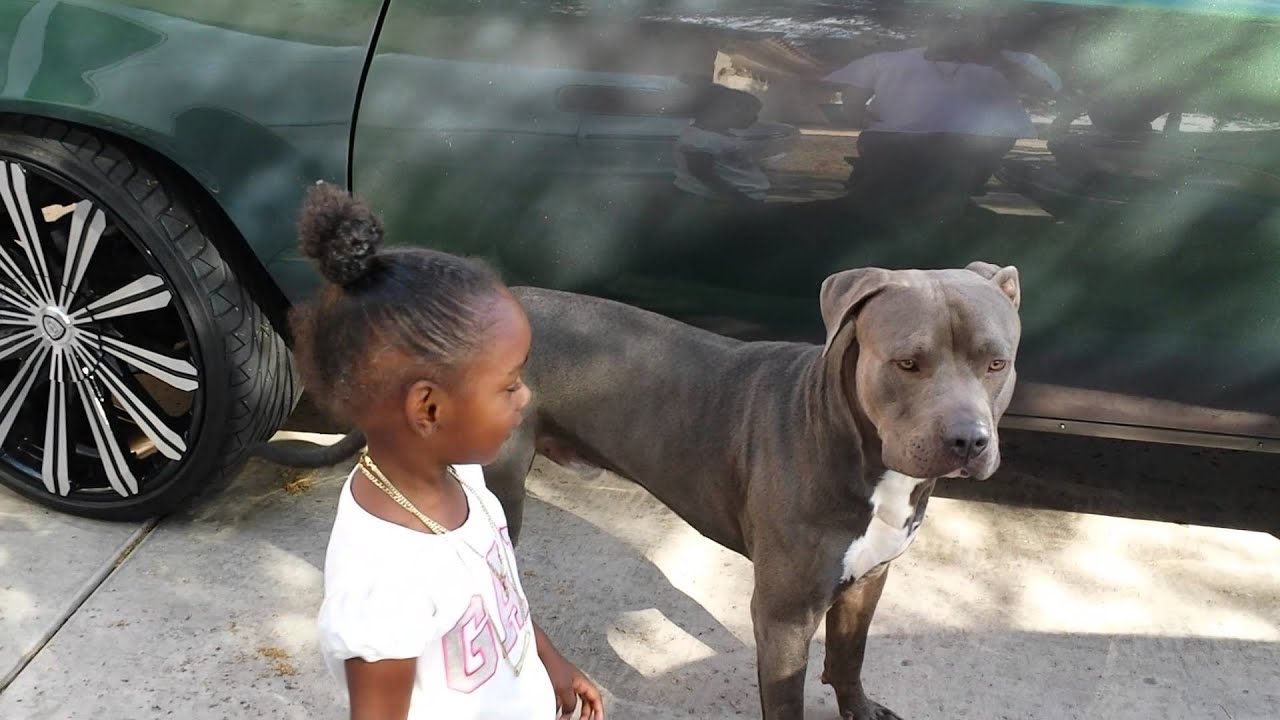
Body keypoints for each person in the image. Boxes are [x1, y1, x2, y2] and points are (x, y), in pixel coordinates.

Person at [294, 183, 605, 720]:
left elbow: (495, 584)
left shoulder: (461, 474)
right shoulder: (384, 583)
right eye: (508, 385)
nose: (525, 396)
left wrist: (548, 660)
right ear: (430, 410)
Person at [825, 12, 1061, 214]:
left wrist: (998, 63)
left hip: (956, 147)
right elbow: (1050, 93)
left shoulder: (885, 60)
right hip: (953, 148)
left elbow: (852, 102)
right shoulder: (888, 60)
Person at [673, 84, 770, 204]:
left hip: (738, 199)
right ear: (725, 111)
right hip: (716, 203)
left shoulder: (719, 135)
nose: (755, 119)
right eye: (750, 113)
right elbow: (704, 175)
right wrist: (740, 201)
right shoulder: (701, 140)